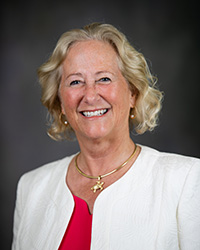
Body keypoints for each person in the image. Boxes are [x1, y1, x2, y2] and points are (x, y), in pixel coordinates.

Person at [12, 23, 200, 250]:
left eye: (104, 79)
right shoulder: (31, 189)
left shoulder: (186, 180)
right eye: (75, 82)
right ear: (60, 102)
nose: (90, 95)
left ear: (132, 93)